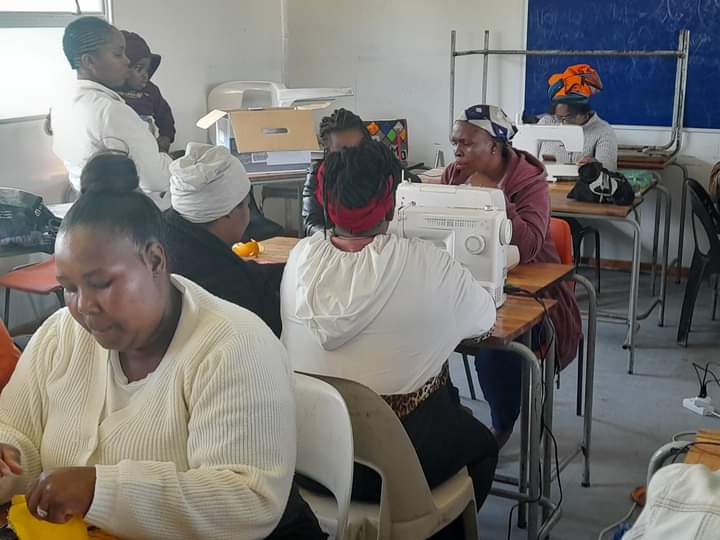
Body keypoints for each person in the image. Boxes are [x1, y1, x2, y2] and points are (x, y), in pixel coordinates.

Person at [0, 153, 324, 539]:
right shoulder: (60, 336)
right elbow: (17, 431)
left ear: (155, 260)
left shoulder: (234, 347)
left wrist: (99, 490)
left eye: (101, 284)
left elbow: (248, 499)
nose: (83, 306)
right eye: (69, 288)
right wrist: (7, 460)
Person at [282, 139, 499, 528]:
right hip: (393, 477)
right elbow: (484, 319)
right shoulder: (429, 265)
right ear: (390, 201)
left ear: (324, 201)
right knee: (482, 445)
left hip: (308, 461)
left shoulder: (300, 259)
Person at [443, 104, 582, 448]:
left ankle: (501, 426)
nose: (457, 151)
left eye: (466, 143)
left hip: (530, 293)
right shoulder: (454, 174)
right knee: (414, 332)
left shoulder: (531, 182)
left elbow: (530, 246)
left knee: (496, 352)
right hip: (469, 284)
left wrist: (495, 198)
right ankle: (442, 415)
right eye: (455, 142)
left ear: (494, 145)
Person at [164, 143, 284, 336]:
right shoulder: (228, 284)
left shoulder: (159, 238)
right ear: (228, 212)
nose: (248, 216)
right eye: (247, 205)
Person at [50, 17, 171, 207]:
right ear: (89, 61)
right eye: (118, 54)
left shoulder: (63, 100)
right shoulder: (110, 111)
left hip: (88, 205)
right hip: (127, 212)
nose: (127, 61)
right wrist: (180, 163)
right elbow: (156, 180)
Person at [302, 108, 371, 236]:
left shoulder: (380, 169)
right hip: (335, 243)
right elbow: (310, 225)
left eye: (356, 150)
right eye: (342, 152)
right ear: (328, 152)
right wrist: (340, 236)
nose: (351, 157)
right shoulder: (317, 174)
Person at [537, 64, 618, 171]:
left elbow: (609, 170)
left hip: (583, 182)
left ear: (584, 112)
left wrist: (596, 166)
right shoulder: (546, 123)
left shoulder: (603, 131)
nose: (562, 123)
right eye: (559, 117)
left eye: (567, 117)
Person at [117, 31, 176, 154]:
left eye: (147, 70)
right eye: (139, 69)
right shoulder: (110, 92)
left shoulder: (150, 91)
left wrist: (165, 138)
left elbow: (165, 116)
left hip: (148, 150)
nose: (145, 75)